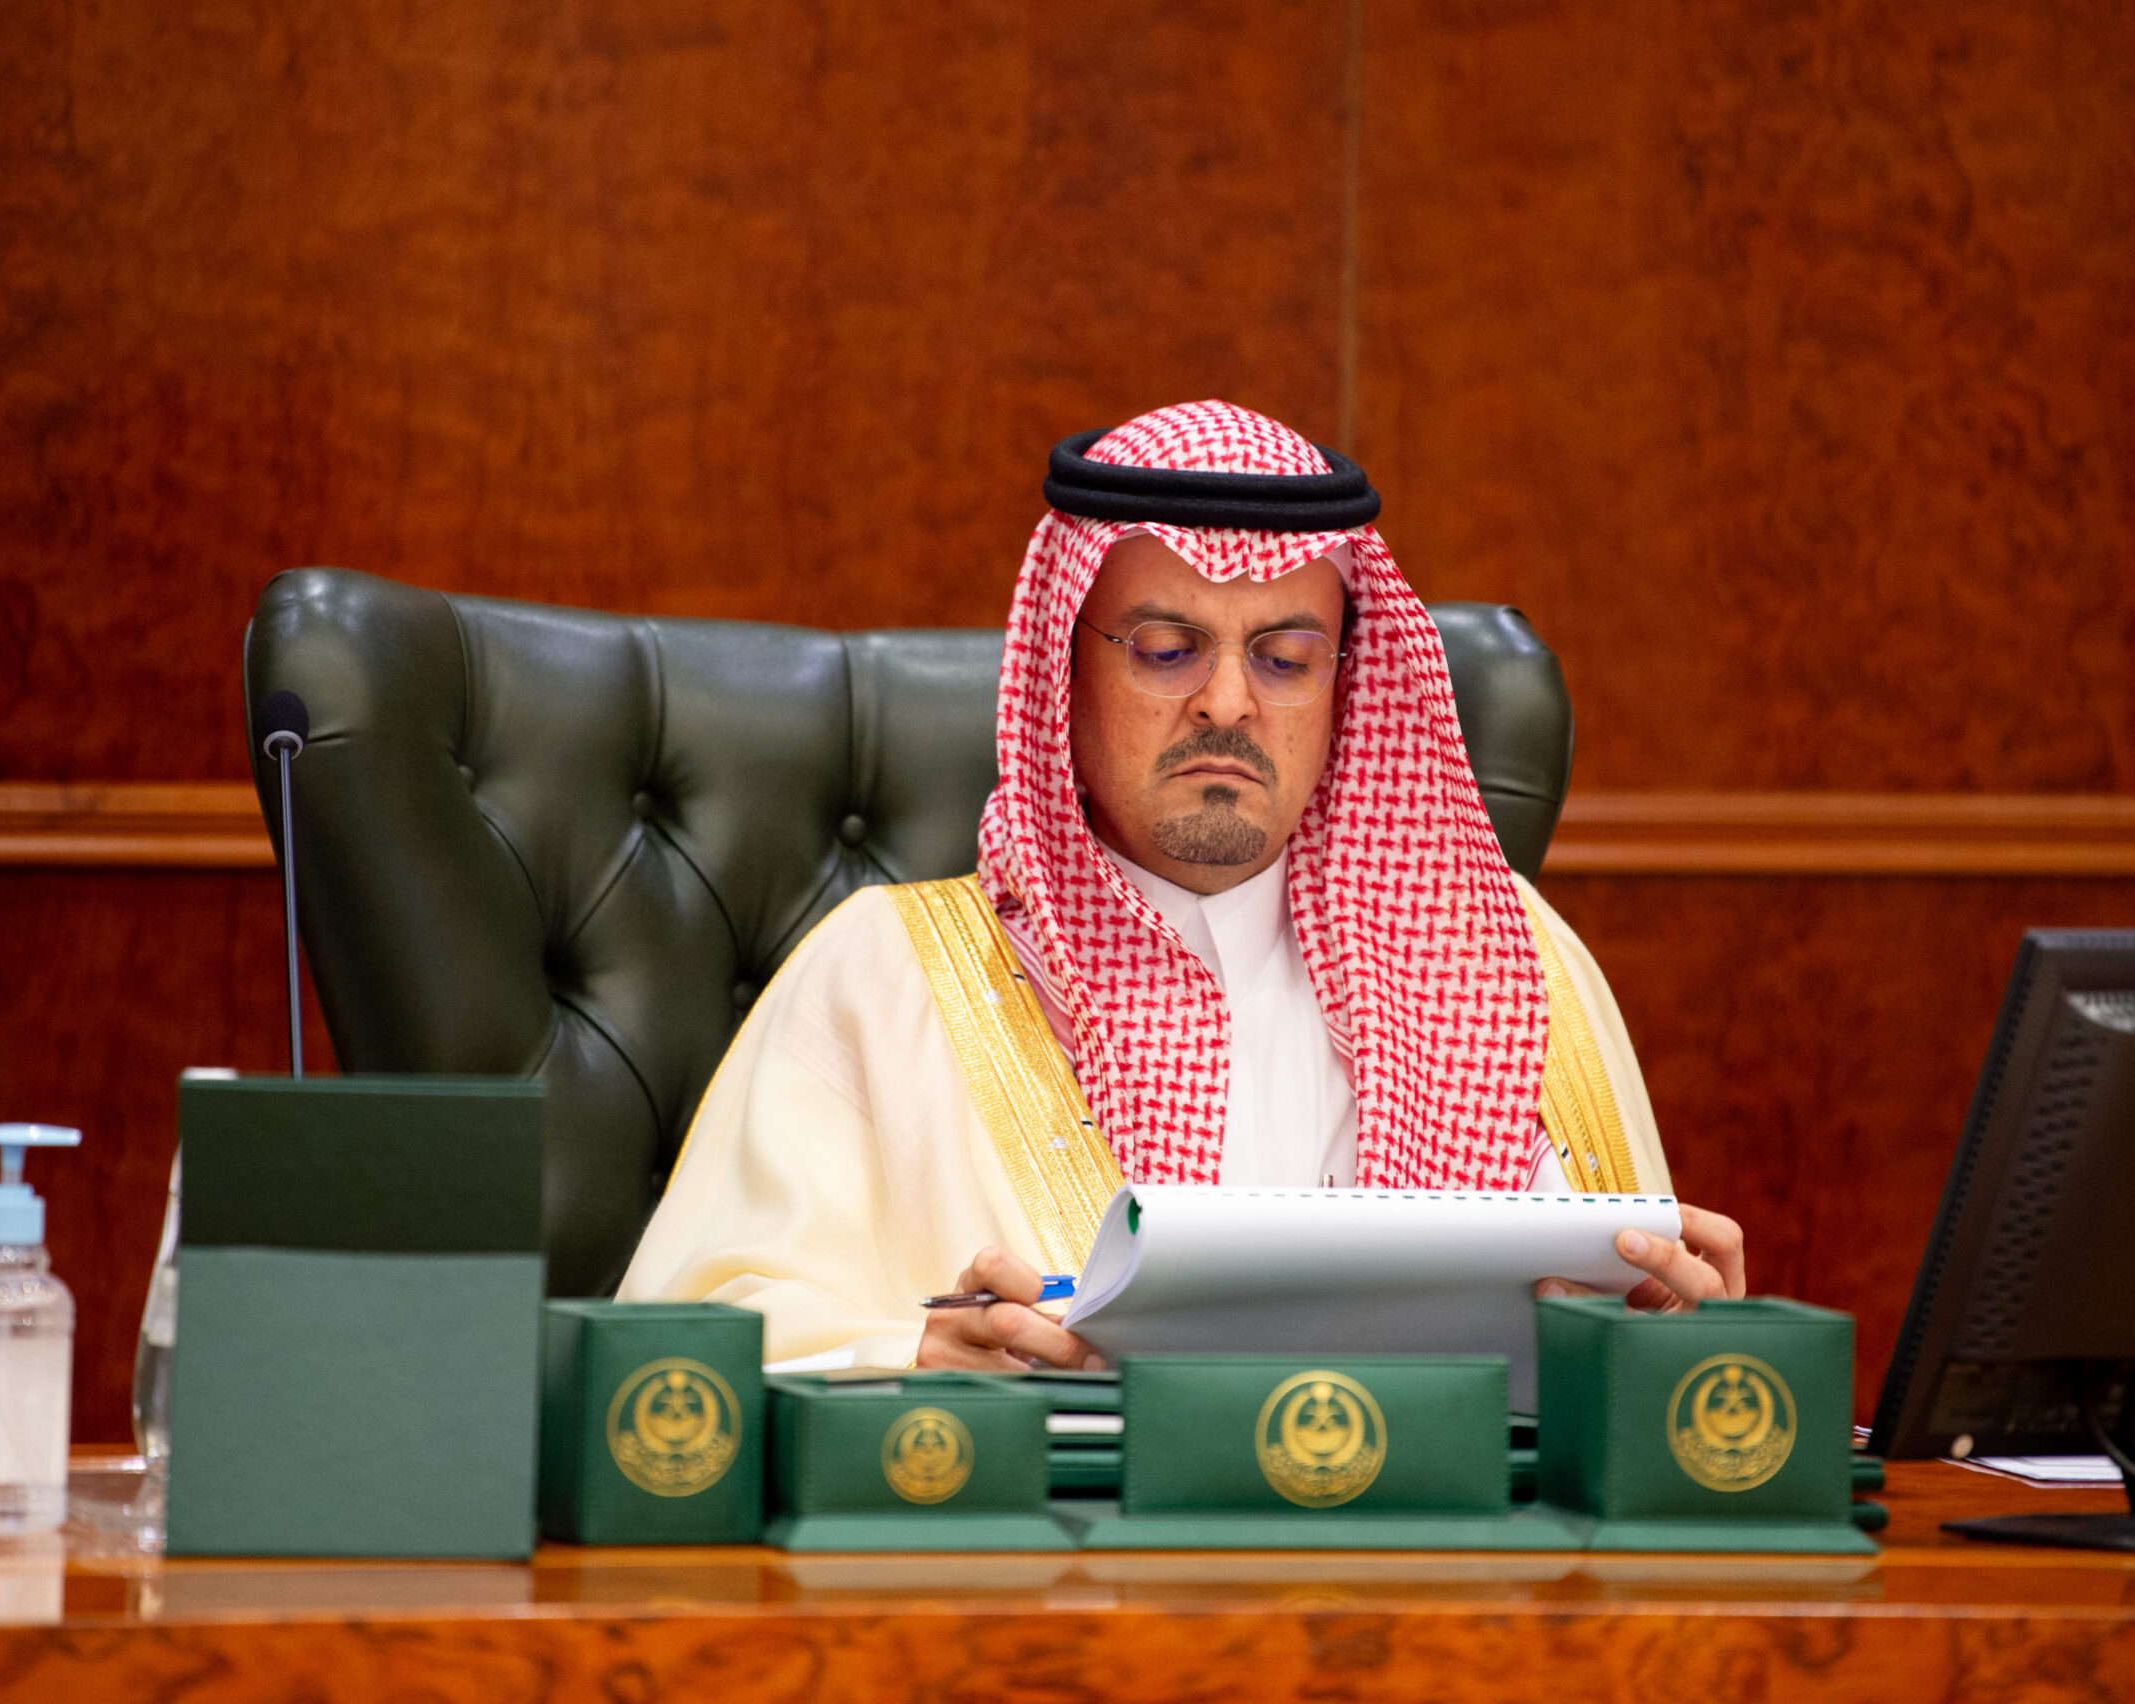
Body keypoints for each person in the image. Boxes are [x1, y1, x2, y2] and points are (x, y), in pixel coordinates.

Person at [619, 400, 1744, 1369]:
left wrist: (1678, 1337)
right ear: (1065, 670)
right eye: (1167, 650)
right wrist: (914, 1361)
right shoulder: (888, 975)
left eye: (1285, 658)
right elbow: (685, 1348)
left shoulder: (1504, 963)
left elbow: (1619, 1344)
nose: (1227, 701)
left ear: (1343, 688)